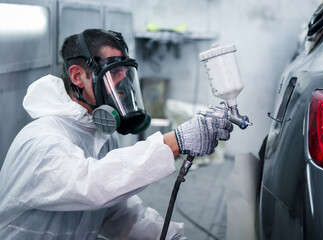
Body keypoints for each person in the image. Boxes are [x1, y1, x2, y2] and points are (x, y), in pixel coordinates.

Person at [0, 29, 233, 240]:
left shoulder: (98, 135)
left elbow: (116, 212)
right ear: (77, 76)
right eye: (114, 72)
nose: (124, 84)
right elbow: (92, 186)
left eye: (125, 72)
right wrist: (173, 142)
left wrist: (167, 236)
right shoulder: (42, 140)